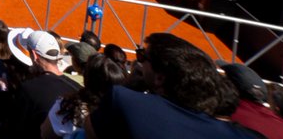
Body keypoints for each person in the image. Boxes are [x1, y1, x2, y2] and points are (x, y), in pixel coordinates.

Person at [86, 33, 258, 139]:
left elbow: (89, 129)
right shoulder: (249, 136)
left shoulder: (124, 100)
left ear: (160, 78)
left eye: (142, 57)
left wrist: (130, 86)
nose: (138, 62)